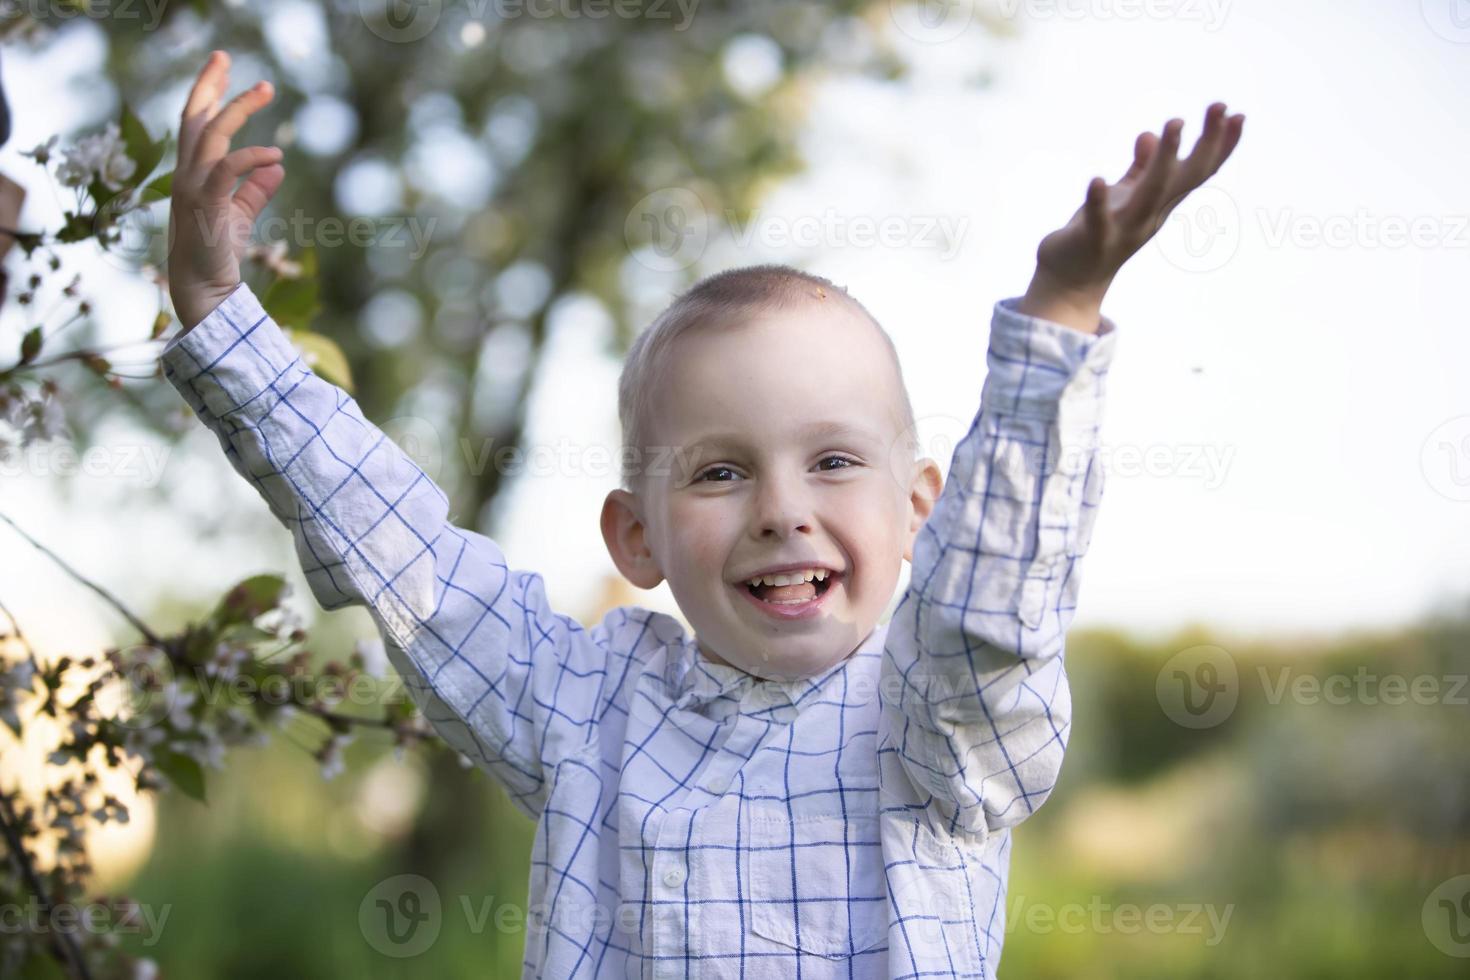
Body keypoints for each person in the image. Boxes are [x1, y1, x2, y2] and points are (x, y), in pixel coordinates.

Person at [161, 49, 1242, 979]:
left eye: (830, 460)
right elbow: (414, 567)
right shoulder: (588, 712)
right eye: (721, 473)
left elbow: (990, 618)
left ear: (919, 511)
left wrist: (1054, 322)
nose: (783, 511)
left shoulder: (933, 726)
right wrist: (223, 319)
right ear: (638, 536)